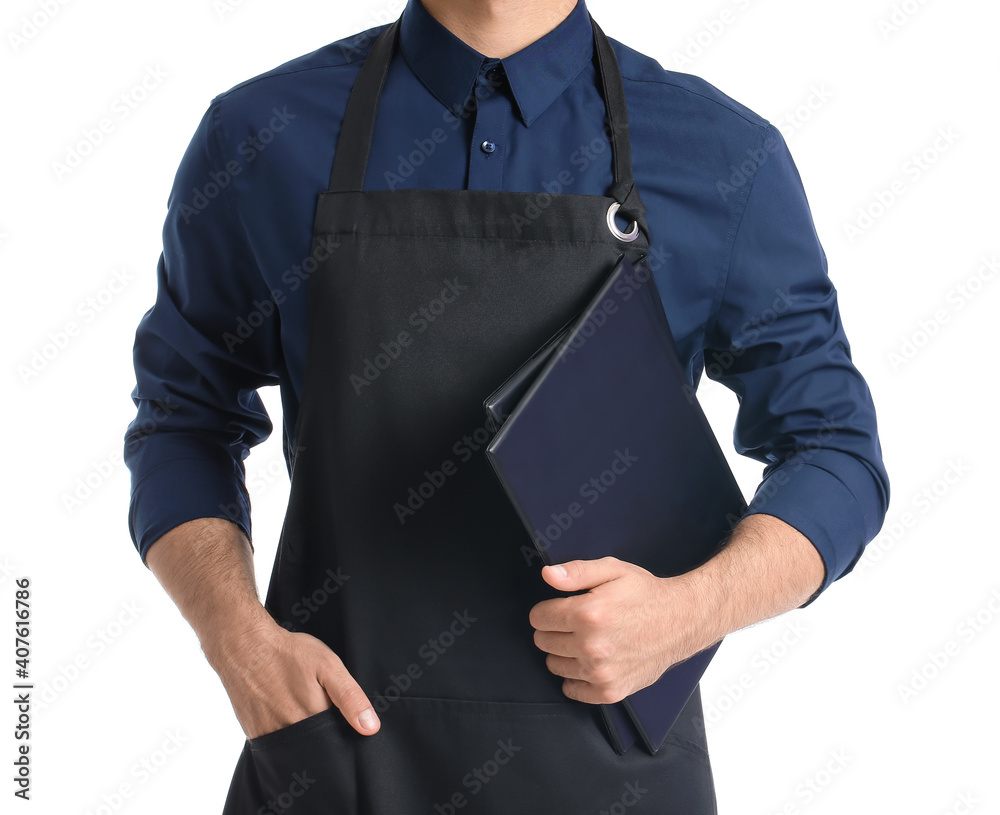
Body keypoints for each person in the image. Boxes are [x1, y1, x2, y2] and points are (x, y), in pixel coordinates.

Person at [123, 0, 889, 811]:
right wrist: (236, 640)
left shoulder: (722, 155)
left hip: (615, 777)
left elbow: (834, 448)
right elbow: (183, 416)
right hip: (335, 759)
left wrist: (687, 613)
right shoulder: (261, 136)